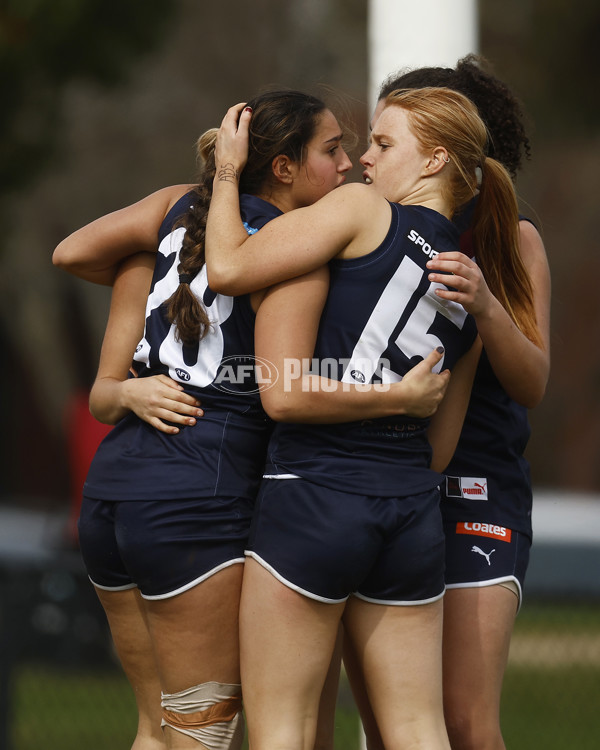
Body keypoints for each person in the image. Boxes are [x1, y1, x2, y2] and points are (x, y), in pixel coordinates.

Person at [52, 89, 451, 750]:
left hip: (114, 490)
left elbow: (71, 253)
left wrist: (132, 358)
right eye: (333, 150)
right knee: (201, 733)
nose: (350, 164)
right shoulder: (291, 254)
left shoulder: (174, 211)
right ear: (285, 169)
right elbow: (285, 391)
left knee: (159, 727)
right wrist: (396, 400)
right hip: (195, 499)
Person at [202, 85, 527, 750]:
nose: (363, 161)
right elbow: (438, 449)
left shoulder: (360, 211)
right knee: (416, 727)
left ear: (434, 161)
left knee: (283, 730)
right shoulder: (472, 287)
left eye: (381, 143)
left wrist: (230, 172)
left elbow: (229, 268)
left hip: (313, 496)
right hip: (408, 518)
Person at [341, 55, 551, 750]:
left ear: (445, 146)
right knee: (391, 725)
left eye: (384, 140)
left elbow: (533, 382)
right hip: (388, 487)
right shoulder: (367, 227)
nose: (367, 156)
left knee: (461, 719)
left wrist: (487, 307)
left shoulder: (510, 238)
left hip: (475, 491)